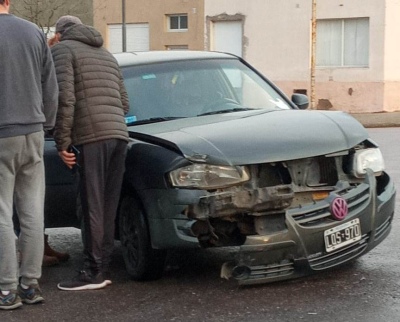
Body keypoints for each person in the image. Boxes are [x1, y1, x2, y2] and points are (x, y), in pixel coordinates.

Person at [51, 15, 129, 291]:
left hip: (90, 138)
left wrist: (61, 142)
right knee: (108, 205)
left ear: (59, 34)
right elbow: (125, 102)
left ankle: (92, 272)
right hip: (119, 136)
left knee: (91, 205)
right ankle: (103, 267)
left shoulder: (62, 50)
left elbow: (65, 99)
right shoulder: (106, 53)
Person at [0, 0, 58, 310]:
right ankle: (30, 285)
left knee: (1, 215)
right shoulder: (34, 32)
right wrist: (46, 123)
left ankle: (7, 290)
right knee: (33, 212)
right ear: (7, 2)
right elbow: (51, 84)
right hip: (33, 131)